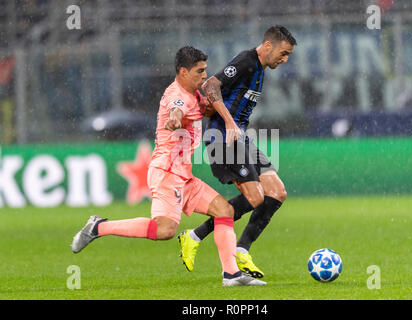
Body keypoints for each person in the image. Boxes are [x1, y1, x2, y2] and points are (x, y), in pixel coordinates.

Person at [71, 46, 266, 287]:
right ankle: (99, 227)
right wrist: (174, 119)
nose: (204, 75)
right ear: (183, 72)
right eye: (200, 71)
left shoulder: (193, 92)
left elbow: (203, 107)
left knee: (224, 211)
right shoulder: (179, 96)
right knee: (164, 231)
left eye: (205, 70)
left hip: (183, 175)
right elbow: (176, 110)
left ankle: (231, 275)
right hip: (166, 173)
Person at [178, 25, 297, 278]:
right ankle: (197, 237)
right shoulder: (247, 61)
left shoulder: (260, 70)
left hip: (239, 139)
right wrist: (229, 122)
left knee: (276, 192)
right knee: (255, 198)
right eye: (283, 53)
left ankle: (241, 249)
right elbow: (210, 85)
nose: (285, 59)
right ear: (268, 46)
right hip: (222, 138)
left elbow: (217, 97)